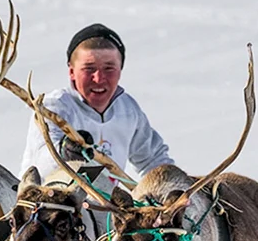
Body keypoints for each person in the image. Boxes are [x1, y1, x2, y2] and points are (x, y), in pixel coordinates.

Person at [20, 23, 173, 182]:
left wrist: (171, 187)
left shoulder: (127, 110)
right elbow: (42, 163)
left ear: (120, 69)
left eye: (109, 68)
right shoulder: (53, 108)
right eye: (89, 69)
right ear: (71, 71)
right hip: (48, 201)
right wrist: (64, 152)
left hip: (105, 204)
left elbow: (153, 160)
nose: (99, 79)